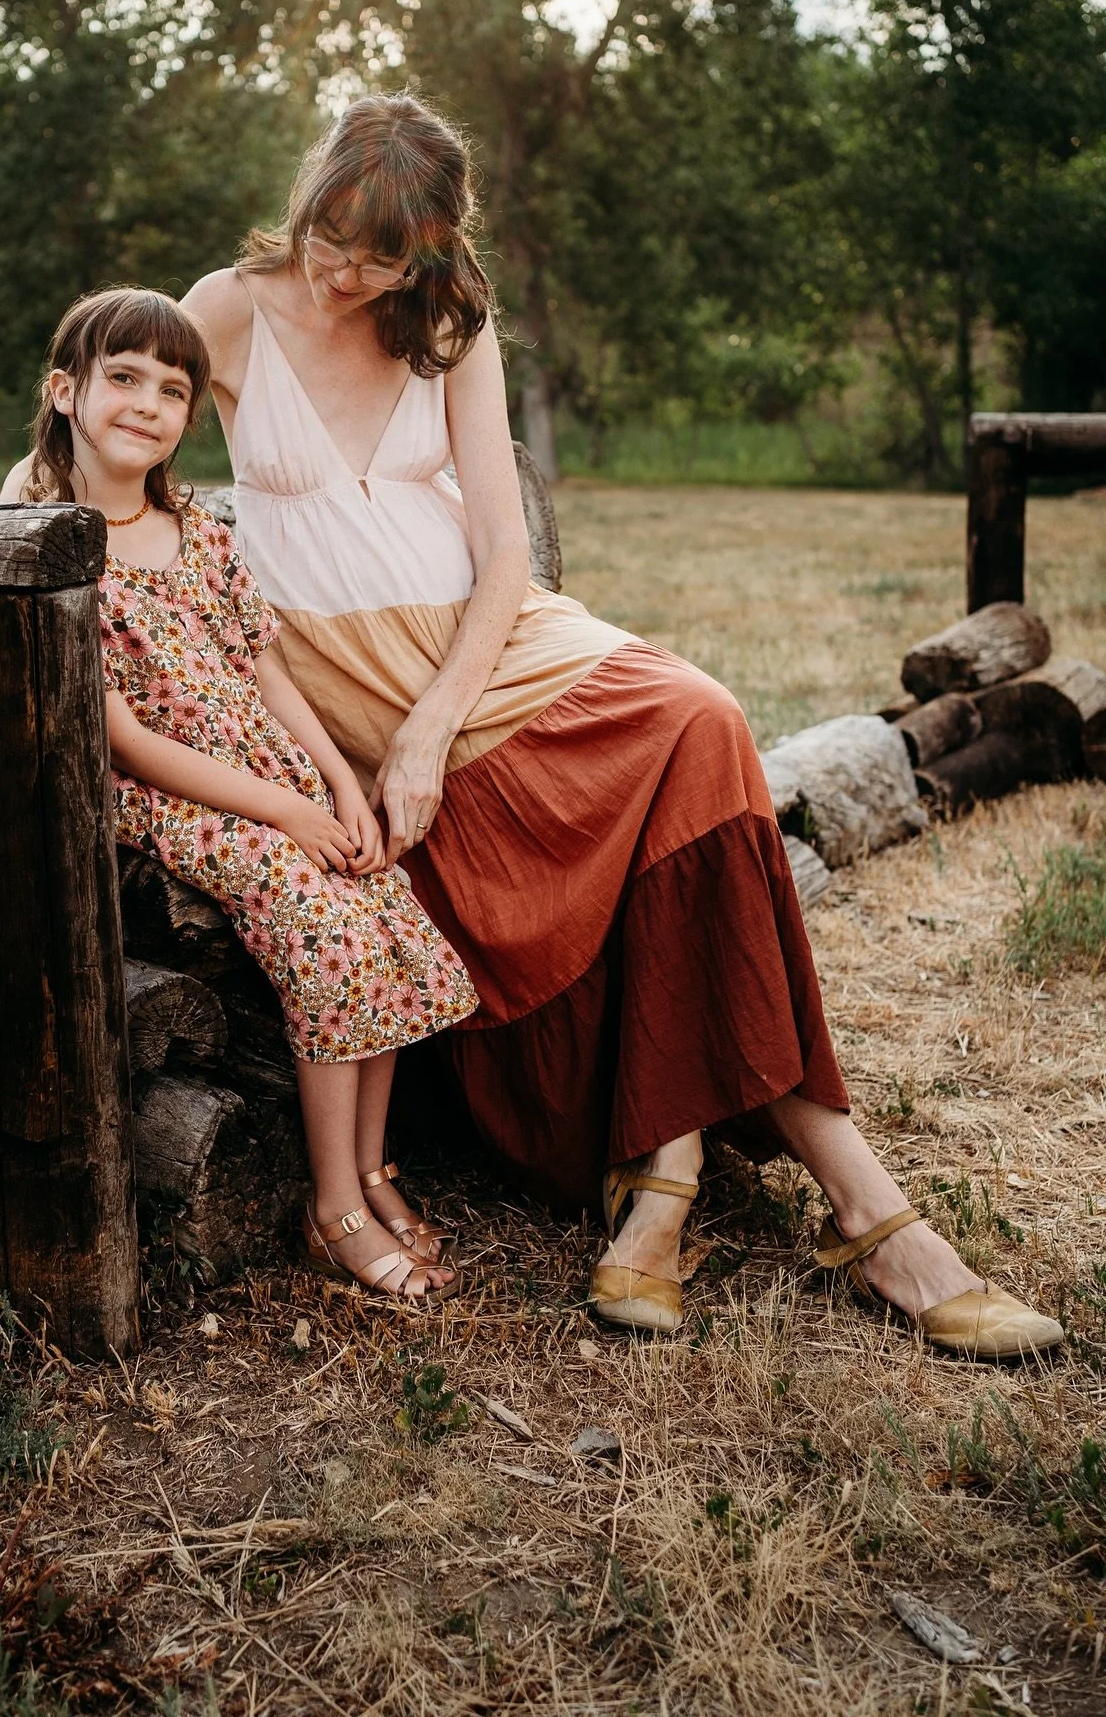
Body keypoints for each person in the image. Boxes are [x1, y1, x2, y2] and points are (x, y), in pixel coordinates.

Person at [178, 94, 1063, 1358]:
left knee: (702, 718)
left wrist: (433, 731)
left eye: (383, 253)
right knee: (686, 808)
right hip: (349, 686)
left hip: (494, 650)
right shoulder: (228, 307)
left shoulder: (445, 326)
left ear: (430, 252)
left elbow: (499, 556)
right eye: (333, 234)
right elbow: (90, 426)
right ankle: (827, 1209)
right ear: (310, 193)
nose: (346, 270)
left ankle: (740, 1192)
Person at [0, 286, 478, 1303]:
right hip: (176, 794)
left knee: (384, 910)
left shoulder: (200, 530)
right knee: (325, 930)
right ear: (64, 390)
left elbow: (266, 673)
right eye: (122, 378)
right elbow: (125, 740)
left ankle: (374, 1164)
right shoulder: (58, 544)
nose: (149, 404)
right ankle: (334, 1207)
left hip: (270, 774)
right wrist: (286, 814)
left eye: (173, 389)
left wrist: (338, 785)